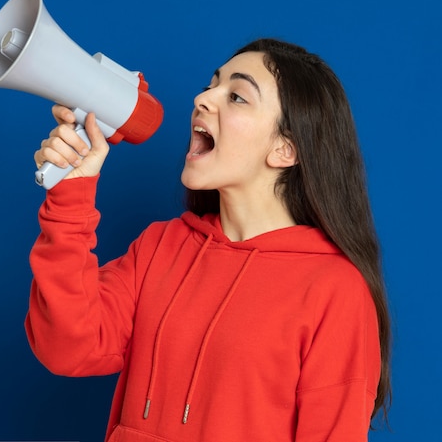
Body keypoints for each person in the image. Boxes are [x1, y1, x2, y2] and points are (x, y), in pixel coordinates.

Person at [25, 38, 391, 441]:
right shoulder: (161, 246)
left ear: (285, 149)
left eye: (236, 96)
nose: (202, 98)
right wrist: (70, 197)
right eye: (211, 84)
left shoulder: (335, 289)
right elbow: (67, 346)